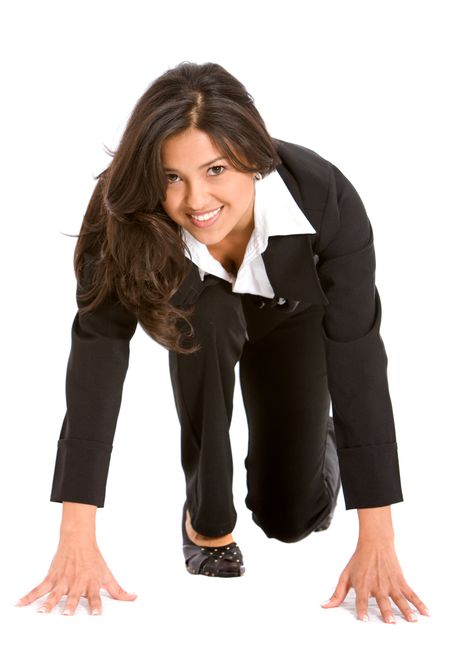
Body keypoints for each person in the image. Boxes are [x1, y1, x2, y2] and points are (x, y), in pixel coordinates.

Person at [15, 61, 430, 622]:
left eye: (215, 169)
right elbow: (97, 357)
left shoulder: (325, 196)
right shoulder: (120, 212)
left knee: (289, 519)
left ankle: (318, 446)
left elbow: (357, 354)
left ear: (254, 158)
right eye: (171, 176)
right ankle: (206, 522)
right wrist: (76, 532)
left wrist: (378, 535)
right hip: (198, 320)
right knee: (206, 316)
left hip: (293, 321)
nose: (195, 200)